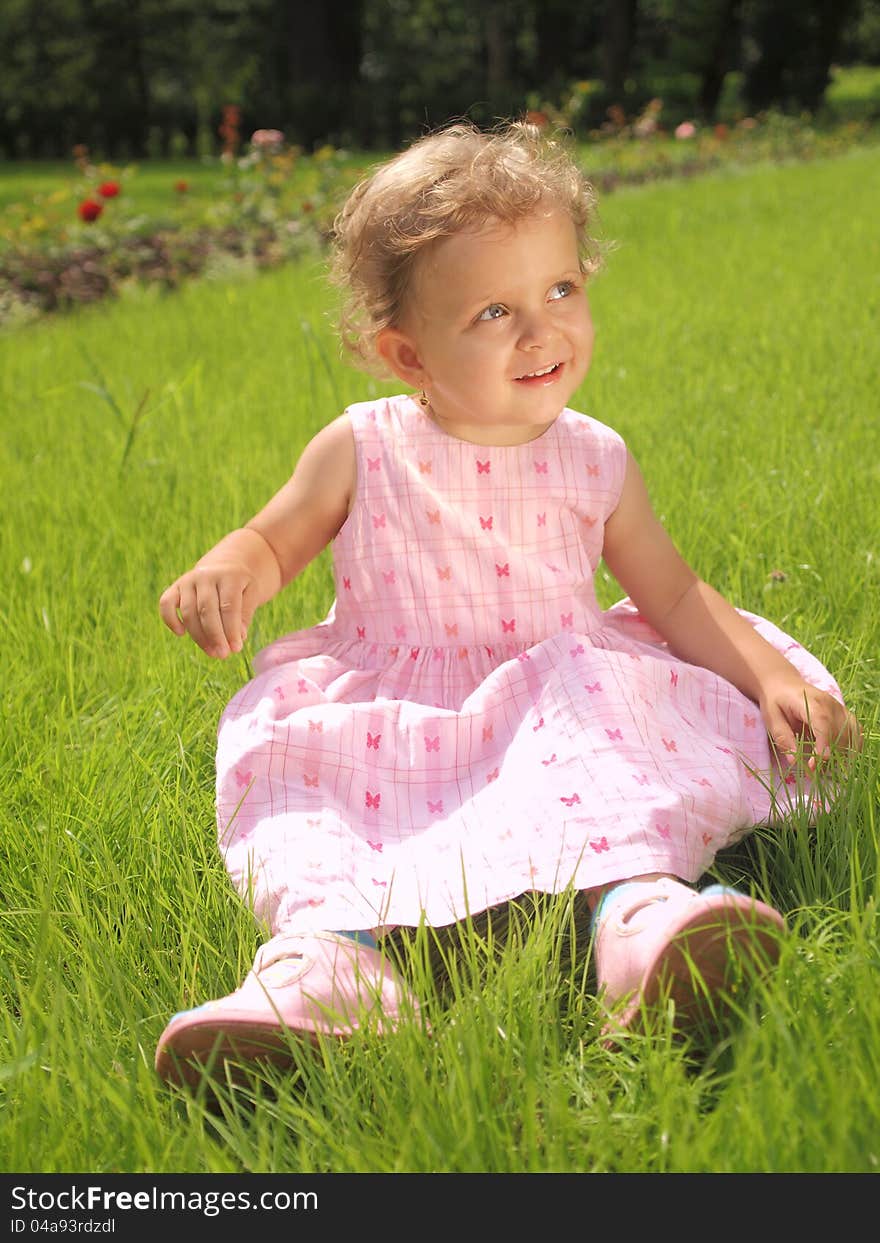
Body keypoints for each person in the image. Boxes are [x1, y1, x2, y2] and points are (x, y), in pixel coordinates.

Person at [154, 121, 861, 1086]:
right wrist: (233, 564)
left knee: (606, 763)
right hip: (393, 706)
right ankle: (327, 968)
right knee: (323, 813)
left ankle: (644, 923)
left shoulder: (596, 456)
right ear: (407, 355)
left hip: (555, 689)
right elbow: (277, 538)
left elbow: (674, 591)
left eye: (561, 289)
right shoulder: (361, 447)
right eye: (494, 312)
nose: (542, 331)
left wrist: (767, 672)